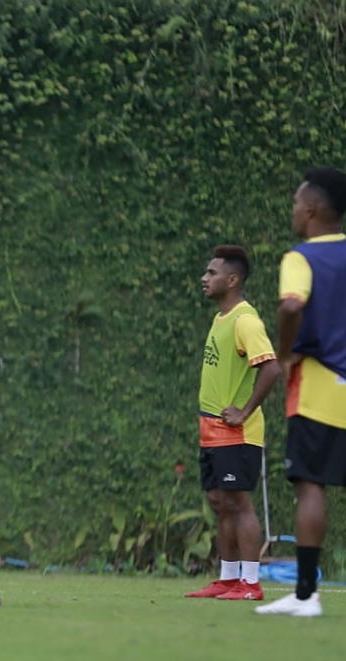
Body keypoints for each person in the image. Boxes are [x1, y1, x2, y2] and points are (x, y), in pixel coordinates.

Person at [256, 167, 346, 617]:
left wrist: (286, 352)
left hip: (317, 386)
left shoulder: (301, 257)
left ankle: (306, 595)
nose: (293, 210)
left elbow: (292, 304)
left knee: (311, 486)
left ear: (310, 209)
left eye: (295, 203)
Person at [183, 245, 278, 601]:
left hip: (236, 433)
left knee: (239, 503)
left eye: (212, 273)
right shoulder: (222, 318)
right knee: (219, 501)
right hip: (211, 432)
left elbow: (270, 367)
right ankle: (226, 579)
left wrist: (244, 411)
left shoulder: (245, 321)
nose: (204, 279)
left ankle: (251, 585)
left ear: (232, 279)